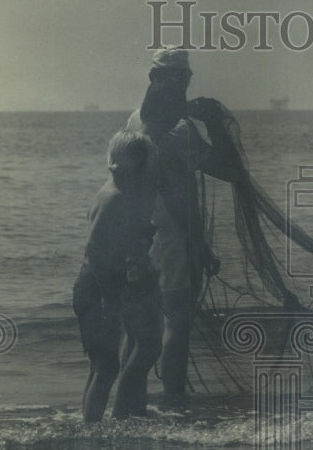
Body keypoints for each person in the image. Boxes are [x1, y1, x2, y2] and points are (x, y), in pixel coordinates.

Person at [126, 48, 243, 402]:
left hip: (140, 236)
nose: (183, 86)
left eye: (184, 79)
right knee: (177, 323)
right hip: (173, 238)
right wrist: (216, 125)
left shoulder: (134, 120)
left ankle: (131, 406)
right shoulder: (180, 131)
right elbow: (228, 170)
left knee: (140, 330)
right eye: (180, 79)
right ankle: (174, 403)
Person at [73, 130, 163, 422]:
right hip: (96, 289)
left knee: (103, 365)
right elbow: (95, 251)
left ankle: (91, 424)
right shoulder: (114, 199)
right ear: (123, 167)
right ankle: (101, 425)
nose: (142, 175)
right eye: (139, 169)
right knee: (106, 366)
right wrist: (111, 300)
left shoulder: (117, 194)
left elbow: (114, 241)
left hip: (99, 285)